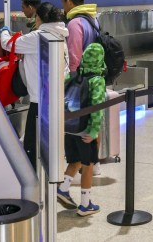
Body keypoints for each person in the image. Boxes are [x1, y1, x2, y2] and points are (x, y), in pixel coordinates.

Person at [0, 2, 69, 169]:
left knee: (32, 143)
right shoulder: (60, 34)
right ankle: (49, 179)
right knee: (50, 142)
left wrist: (4, 32)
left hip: (40, 100)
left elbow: (8, 44)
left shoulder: (39, 36)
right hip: (57, 96)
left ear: (40, 18)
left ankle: (35, 182)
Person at [57, 43, 106, 216]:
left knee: (74, 161)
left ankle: (63, 189)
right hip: (85, 131)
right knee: (88, 165)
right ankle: (86, 204)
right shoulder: (97, 80)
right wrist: (93, 132)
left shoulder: (73, 76)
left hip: (69, 127)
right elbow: (96, 108)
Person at [61, 0, 103, 175]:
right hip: (97, 75)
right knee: (95, 117)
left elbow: (74, 54)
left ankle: (84, 163)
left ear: (69, 1)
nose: (63, 7)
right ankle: (94, 163)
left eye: (63, 3)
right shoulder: (93, 19)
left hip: (82, 79)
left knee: (80, 122)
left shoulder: (74, 23)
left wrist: (72, 79)